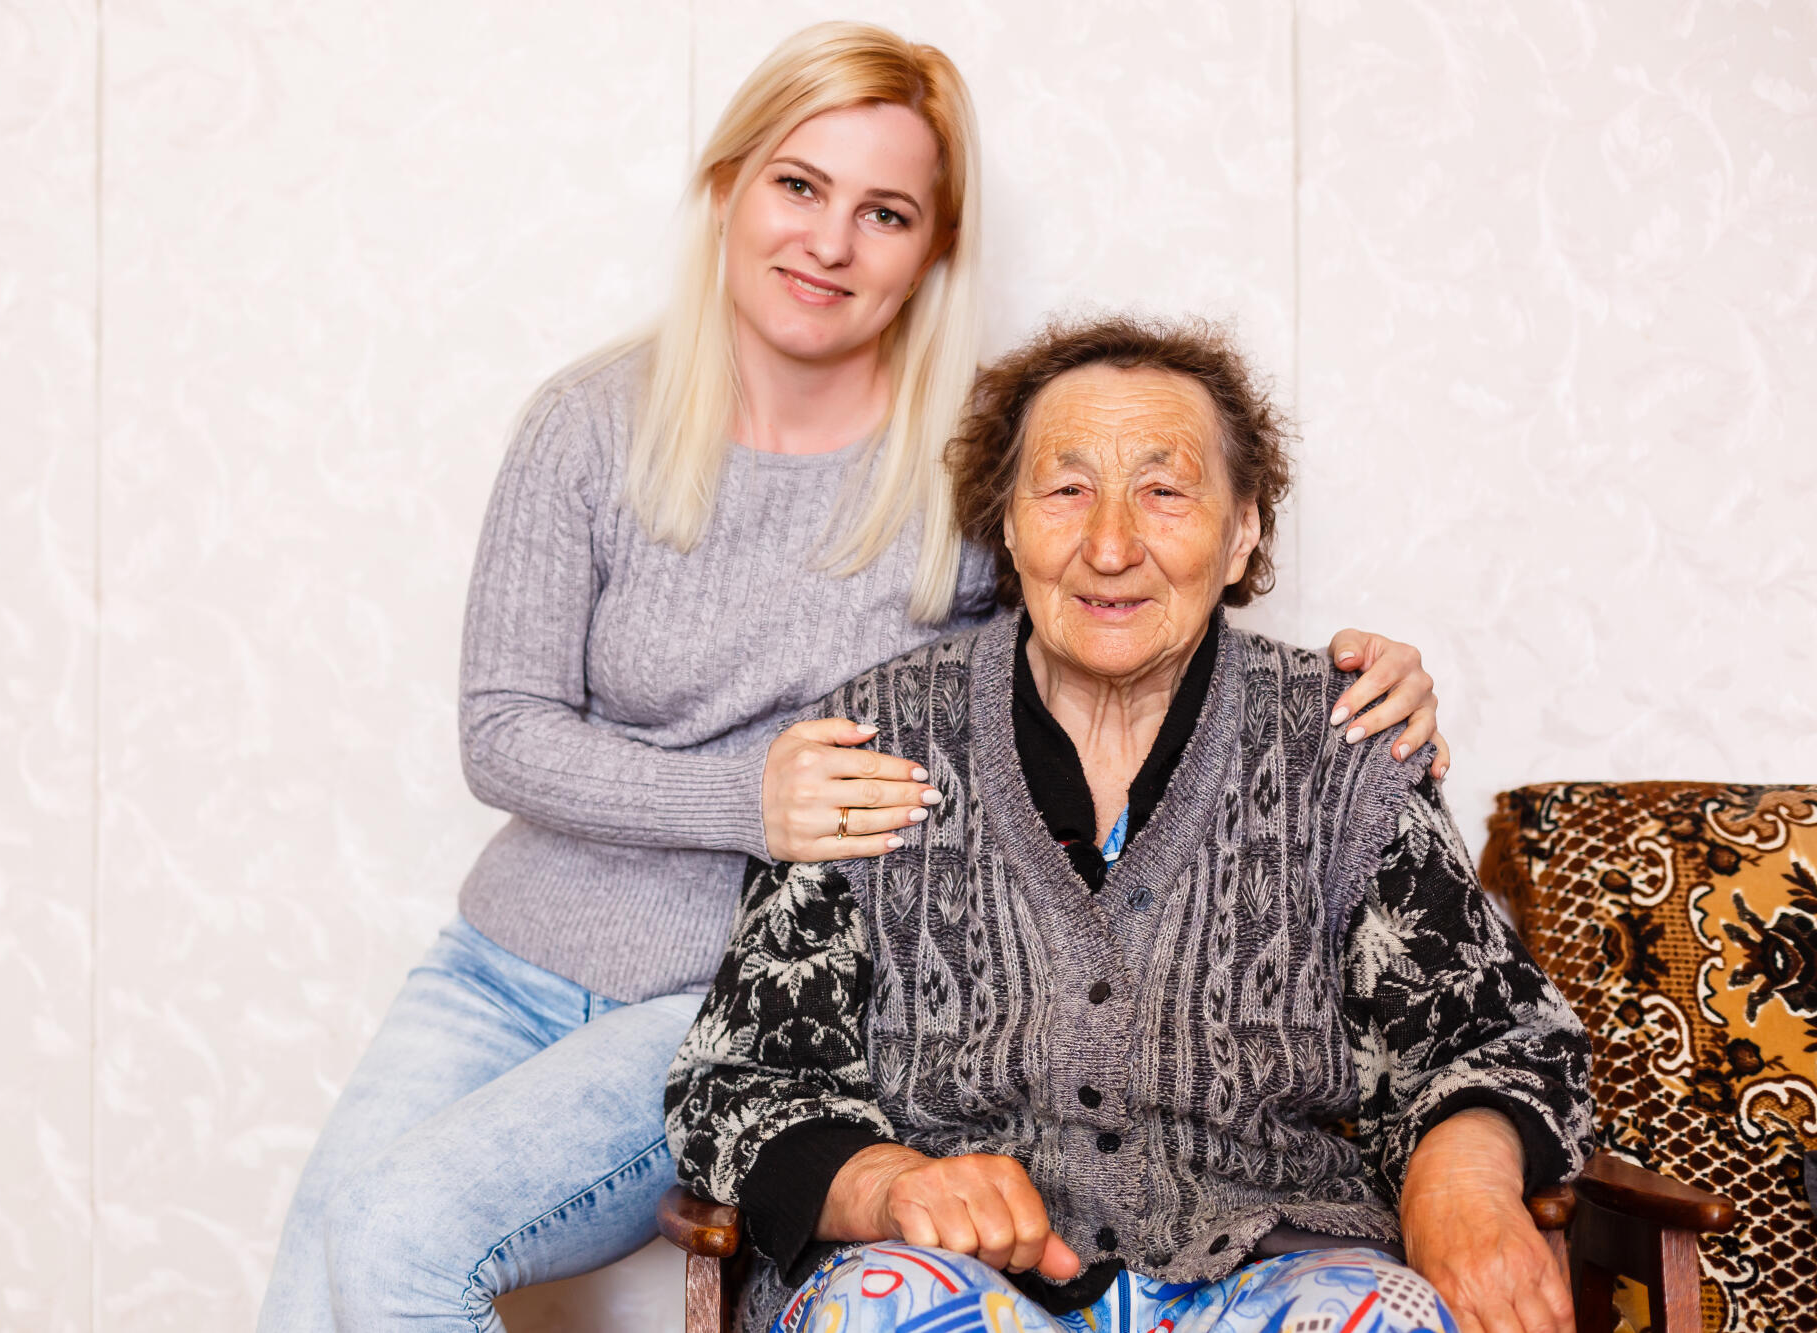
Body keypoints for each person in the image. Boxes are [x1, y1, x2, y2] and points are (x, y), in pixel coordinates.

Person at [258, 25, 1449, 1333]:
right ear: (729, 187)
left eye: (884, 213)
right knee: (318, 1273)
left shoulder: (979, 464)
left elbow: (1115, 630)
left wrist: (1354, 688)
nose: (829, 243)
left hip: (719, 1000)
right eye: (799, 186)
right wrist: (746, 799)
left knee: (396, 1237)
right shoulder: (588, 423)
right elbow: (501, 732)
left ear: (933, 249)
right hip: (502, 965)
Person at [664, 315, 1592, 1333]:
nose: (1109, 546)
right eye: (1066, 491)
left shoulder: (1342, 743)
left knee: (1385, 1313)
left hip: (1268, 1273)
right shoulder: (877, 738)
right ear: (1007, 524)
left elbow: (1494, 1035)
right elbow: (736, 1080)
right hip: (955, 1281)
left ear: (1242, 531)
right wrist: (886, 1183)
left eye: (1164, 492)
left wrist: (1461, 1179)